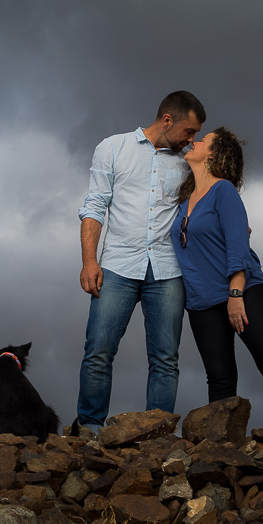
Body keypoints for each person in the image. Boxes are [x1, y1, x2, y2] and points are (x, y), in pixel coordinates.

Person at [75, 91, 206, 432]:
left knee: (165, 359)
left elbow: (207, 202)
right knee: (99, 351)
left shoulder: (187, 162)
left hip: (167, 271)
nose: (192, 140)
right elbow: (95, 205)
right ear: (167, 120)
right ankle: (89, 428)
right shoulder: (113, 148)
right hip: (117, 266)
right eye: (188, 131)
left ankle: (156, 435)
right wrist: (90, 261)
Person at [173, 127, 263, 432]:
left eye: (202, 140)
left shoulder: (223, 190)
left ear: (213, 154)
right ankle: (223, 452)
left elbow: (237, 246)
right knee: (219, 379)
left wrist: (236, 294)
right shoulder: (182, 201)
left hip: (243, 291)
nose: (194, 141)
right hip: (201, 301)